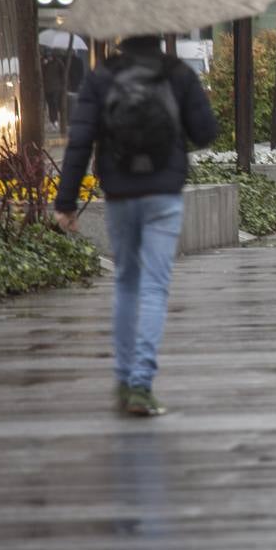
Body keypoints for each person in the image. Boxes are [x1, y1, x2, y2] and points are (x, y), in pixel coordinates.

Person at [54, 34, 218, 417]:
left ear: (122, 34)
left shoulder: (102, 76)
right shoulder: (178, 73)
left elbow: (80, 141)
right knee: (155, 287)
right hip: (164, 193)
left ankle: (124, 380)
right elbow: (206, 133)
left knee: (127, 282)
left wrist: (66, 202)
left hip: (121, 193)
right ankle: (142, 384)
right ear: (158, 32)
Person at [41, 49, 64, 129]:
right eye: (48, 56)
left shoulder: (58, 63)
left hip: (56, 88)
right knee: (50, 104)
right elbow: (41, 73)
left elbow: (63, 73)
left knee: (54, 103)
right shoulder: (44, 63)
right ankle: (52, 120)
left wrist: (61, 84)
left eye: (50, 56)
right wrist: (43, 64)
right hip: (47, 88)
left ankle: (55, 120)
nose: (49, 57)